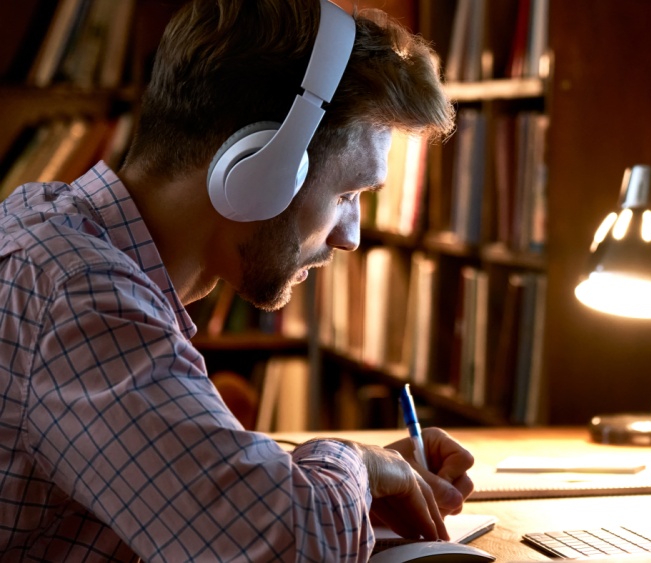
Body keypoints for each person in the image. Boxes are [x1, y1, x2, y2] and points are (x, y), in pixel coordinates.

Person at [0, 1, 473, 561]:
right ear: (258, 172)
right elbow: (286, 549)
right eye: (348, 195)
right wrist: (355, 464)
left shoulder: (48, 228)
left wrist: (319, 478)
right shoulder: (82, 296)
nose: (351, 237)